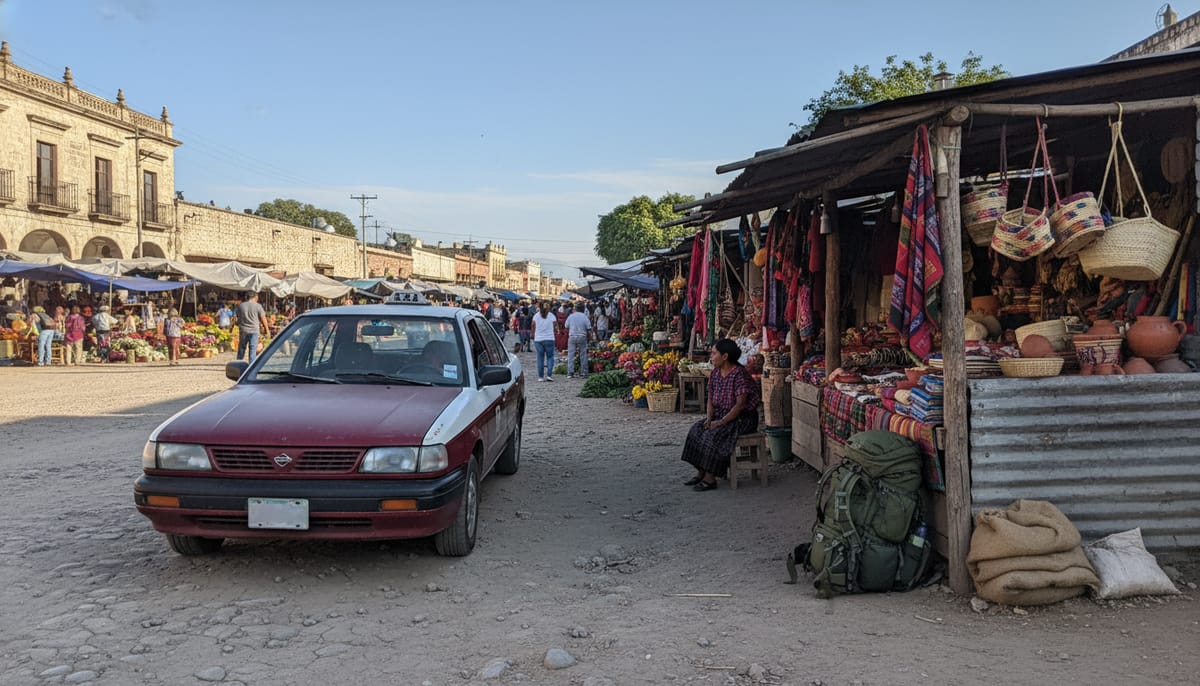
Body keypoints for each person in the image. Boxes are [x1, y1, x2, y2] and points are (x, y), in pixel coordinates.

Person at [680, 338, 761, 491]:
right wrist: (710, 418)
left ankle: (711, 478)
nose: (711, 356)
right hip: (720, 415)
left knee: (713, 435)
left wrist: (721, 422)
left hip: (742, 418)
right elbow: (710, 398)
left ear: (725, 357)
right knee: (696, 430)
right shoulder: (715, 373)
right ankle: (701, 471)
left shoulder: (739, 374)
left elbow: (740, 405)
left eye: (714, 353)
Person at [235, 291, 272, 364]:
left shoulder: (241, 306)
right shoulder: (258, 306)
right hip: (254, 330)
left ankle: (238, 364)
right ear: (255, 297)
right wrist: (266, 329)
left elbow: (237, 318)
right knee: (253, 348)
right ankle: (251, 365)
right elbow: (263, 318)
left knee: (242, 347)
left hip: (243, 330)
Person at [531, 300, 558, 382]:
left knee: (540, 358)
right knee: (550, 357)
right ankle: (549, 375)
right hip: (549, 338)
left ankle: (540, 377)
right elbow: (555, 326)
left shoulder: (536, 316)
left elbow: (533, 325)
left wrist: (533, 334)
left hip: (538, 339)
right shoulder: (552, 316)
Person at [565, 303, 592, 378]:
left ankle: (570, 372)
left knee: (571, 355)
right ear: (583, 309)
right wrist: (590, 337)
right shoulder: (585, 317)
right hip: (582, 336)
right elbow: (589, 328)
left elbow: (566, 326)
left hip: (572, 336)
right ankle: (584, 372)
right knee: (583, 355)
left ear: (575, 308)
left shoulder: (571, 316)